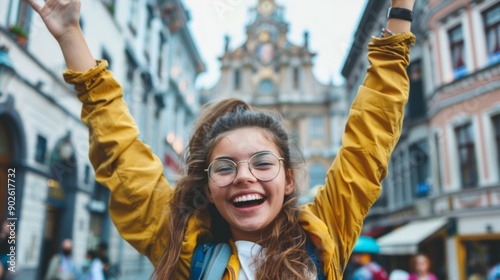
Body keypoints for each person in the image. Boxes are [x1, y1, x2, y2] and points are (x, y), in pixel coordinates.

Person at [28, 0, 416, 278]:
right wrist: (70, 36)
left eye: (262, 163)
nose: (245, 176)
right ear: (209, 188)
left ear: (290, 178)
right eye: (225, 167)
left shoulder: (322, 237)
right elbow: (121, 152)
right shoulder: (182, 245)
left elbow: (371, 135)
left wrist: (400, 9)